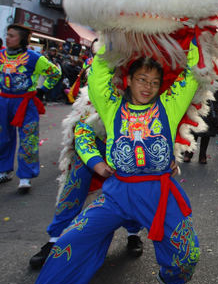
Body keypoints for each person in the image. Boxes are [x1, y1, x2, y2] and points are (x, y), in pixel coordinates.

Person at [31, 42, 202, 284]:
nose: (148, 87)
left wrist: (195, 29)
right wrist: (110, 36)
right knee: (70, 241)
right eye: (142, 79)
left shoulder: (169, 105)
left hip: (159, 194)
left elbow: (191, 73)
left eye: (155, 82)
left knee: (188, 252)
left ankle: (172, 279)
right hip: (117, 194)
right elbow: (98, 75)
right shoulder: (111, 108)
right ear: (129, 80)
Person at [29, 87, 144, 269]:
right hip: (95, 143)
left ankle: (133, 233)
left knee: (132, 190)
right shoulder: (97, 80)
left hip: (130, 144)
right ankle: (55, 238)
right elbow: (82, 130)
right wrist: (95, 162)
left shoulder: (143, 83)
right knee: (75, 182)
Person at [0, 24, 61, 191]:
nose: (8, 38)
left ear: (21, 39)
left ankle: (26, 176)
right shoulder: (1, 55)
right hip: (4, 101)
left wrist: (43, 89)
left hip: (25, 102)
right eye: (7, 34)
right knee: (3, 137)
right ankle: (4, 170)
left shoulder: (34, 58)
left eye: (12, 36)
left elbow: (55, 73)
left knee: (28, 139)